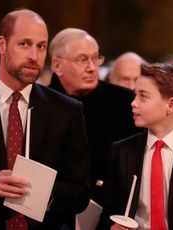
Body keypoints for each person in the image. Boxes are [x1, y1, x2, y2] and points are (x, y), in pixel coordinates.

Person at [0, 9, 89, 230]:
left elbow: (81, 192)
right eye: (24, 44)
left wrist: (41, 193)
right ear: (2, 45)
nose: (34, 56)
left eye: (41, 46)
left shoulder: (67, 111)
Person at [97, 63, 173, 229]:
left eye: (143, 96)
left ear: (171, 105)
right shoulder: (122, 151)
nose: (133, 103)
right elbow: (109, 212)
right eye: (135, 95)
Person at [48, 28, 143, 207]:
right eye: (82, 59)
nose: (92, 68)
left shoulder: (125, 102)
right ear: (57, 66)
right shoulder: (40, 104)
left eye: (95, 58)